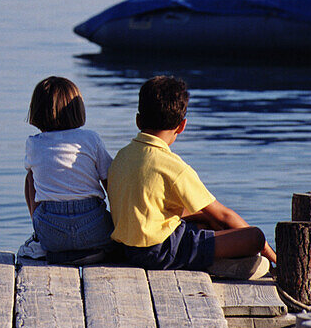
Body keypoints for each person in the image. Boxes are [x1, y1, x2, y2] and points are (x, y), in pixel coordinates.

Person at [107, 75, 276, 278]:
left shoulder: (122, 155)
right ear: (182, 125)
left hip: (127, 249)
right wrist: (271, 254)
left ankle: (217, 259)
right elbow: (224, 215)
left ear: (138, 120)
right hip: (160, 252)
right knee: (254, 237)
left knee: (203, 217)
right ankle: (217, 263)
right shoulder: (172, 166)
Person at [23, 76, 114, 264]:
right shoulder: (91, 139)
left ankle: (38, 235)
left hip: (52, 233)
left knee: (31, 176)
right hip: (94, 227)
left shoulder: (34, 143)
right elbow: (110, 182)